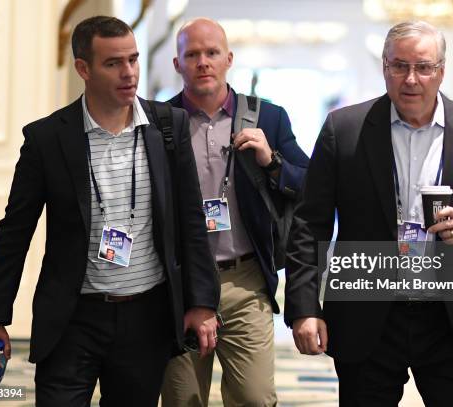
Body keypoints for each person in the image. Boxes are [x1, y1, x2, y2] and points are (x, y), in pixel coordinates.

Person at [0, 16, 220, 407]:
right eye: (113, 63)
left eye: (133, 60)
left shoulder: (168, 126)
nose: (129, 73)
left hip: (147, 315)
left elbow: (191, 221)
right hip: (73, 317)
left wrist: (202, 302)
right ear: (83, 69)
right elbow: (14, 233)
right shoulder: (47, 139)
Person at [285, 21, 453, 406]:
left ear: (441, 71)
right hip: (367, 315)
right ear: (384, 68)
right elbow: (308, 224)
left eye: (423, 66)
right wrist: (303, 308)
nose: (411, 78)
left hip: (451, 320)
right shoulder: (344, 130)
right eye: (399, 66)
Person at [161, 17, 309, 406]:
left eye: (211, 53)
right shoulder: (161, 122)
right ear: (177, 64)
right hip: (180, 284)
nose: (203, 62)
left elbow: (308, 184)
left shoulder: (268, 118)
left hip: (245, 281)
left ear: (228, 59)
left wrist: (271, 161)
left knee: (255, 397)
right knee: (183, 398)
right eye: (192, 55)